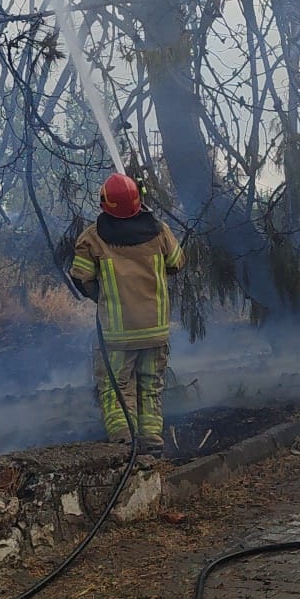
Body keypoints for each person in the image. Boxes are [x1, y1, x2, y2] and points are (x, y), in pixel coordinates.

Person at [69, 174, 185, 457]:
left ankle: (124, 441)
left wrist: (102, 297)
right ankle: (152, 440)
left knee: (115, 386)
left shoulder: (93, 237)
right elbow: (177, 263)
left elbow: (80, 277)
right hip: (154, 329)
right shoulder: (159, 231)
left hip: (117, 334)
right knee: (150, 386)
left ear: (104, 203)